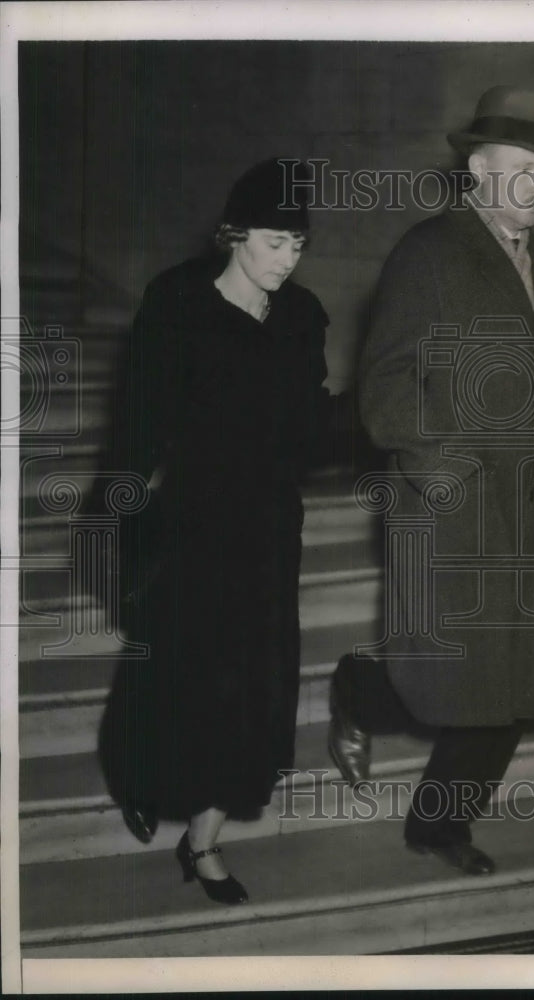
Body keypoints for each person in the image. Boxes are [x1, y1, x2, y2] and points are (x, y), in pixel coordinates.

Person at [328, 86, 534, 875]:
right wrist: (440, 466)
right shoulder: (428, 251)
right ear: (477, 169)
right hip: (451, 502)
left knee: (510, 679)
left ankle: (437, 824)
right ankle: (362, 691)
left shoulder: (528, 256)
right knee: (452, 675)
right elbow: (384, 384)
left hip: (528, 501)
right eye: (520, 169)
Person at [98, 158, 330, 904]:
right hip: (190, 526)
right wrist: (121, 526)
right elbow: (136, 423)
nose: (286, 260)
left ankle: (202, 843)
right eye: (273, 243)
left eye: (298, 245)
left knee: (254, 694)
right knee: (173, 679)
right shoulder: (175, 302)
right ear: (234, 235)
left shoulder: (302, 316)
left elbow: (310, 426)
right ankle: (139, 773)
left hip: (266, 531)